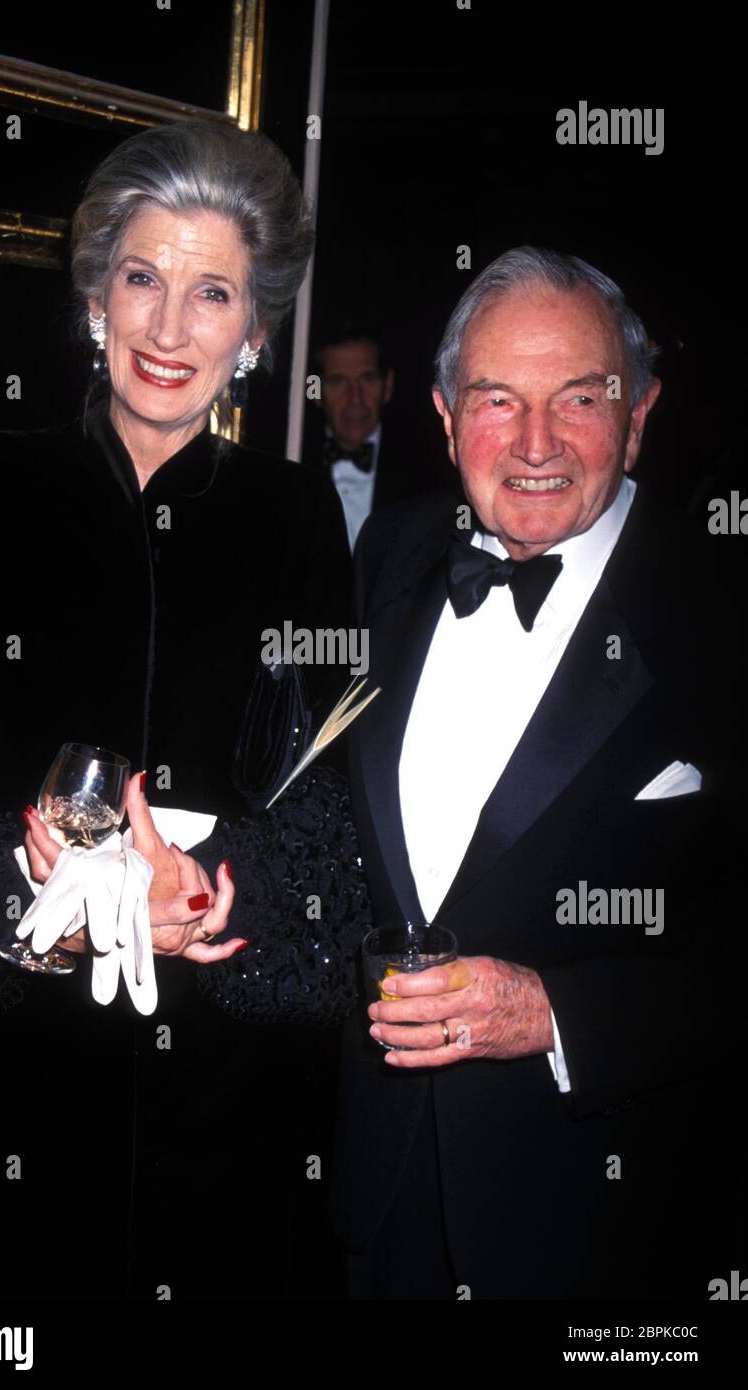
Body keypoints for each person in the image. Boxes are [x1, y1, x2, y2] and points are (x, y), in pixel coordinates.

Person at [102, 246, 740, 1299]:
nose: (532, 444)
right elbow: (325, 823)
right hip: (376, 1200)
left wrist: (558, 1015)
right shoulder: (392, 557)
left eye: (577, 397)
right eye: (495, 399)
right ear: (444, 415)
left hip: (606, 1228)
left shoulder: (719, 612)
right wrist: (205, 882)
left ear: (638, 411)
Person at [0, 119, 351, 1300]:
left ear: (253, 332)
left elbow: (326, 800)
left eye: (212, 295)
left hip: (224, 1102)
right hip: (4, 1084)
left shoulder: (297, 519)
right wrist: (35, 900)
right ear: (95, 294)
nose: (167, 328)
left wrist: (201, 892)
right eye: (142, 278)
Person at [304, 322, 453, 548]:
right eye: (338, 381)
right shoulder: (292, 460)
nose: (355, 398)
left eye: (367, 379)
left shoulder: (428, 471)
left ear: (388, 385)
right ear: (315, 390)